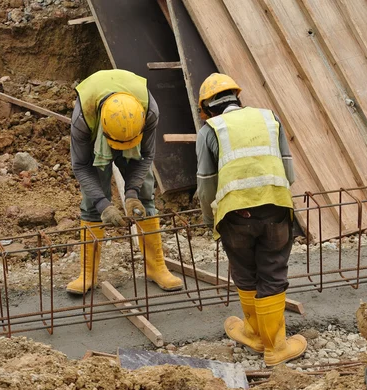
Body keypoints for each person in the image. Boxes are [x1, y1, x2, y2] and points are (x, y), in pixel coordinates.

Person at [195, 73, 306, 366]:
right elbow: (289, 173)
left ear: (206, 108)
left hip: (235, 216)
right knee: (272, 271)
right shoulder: (270, 118)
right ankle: (275, 347)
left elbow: (206, 185)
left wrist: (210, 220)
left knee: (244, 270)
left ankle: (255, 334)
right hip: (275, 210)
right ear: (237, 98)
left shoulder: (210, 131)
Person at [68, 69, 183, 295]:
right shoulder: (84, 117)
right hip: (96, 140)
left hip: (133, 136)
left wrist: (131, 193)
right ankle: (87, 274)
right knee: (91, 205)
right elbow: (80, 166)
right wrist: (103, 204)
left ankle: (156, 268)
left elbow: (147, 156)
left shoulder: (148, 111)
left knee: (145, 197)